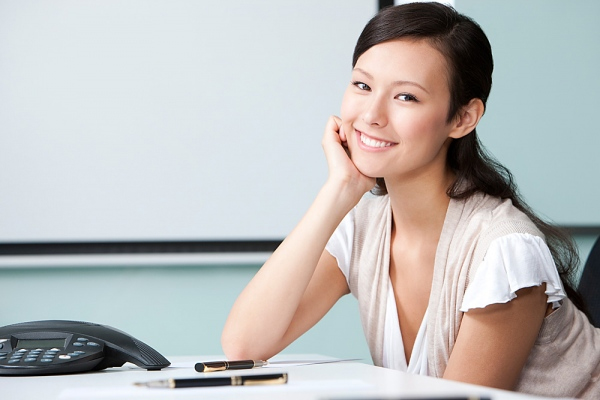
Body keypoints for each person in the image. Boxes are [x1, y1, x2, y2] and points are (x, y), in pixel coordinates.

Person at [221, 2, 600, 398]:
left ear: (463, 118)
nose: (371, 115)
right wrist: (339, 189)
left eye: (406, 97)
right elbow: (245, 345)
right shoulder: (365, 224)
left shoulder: (504, 250)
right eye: (362, 85)